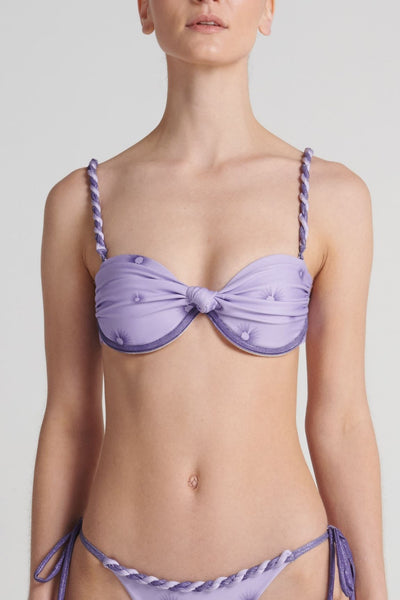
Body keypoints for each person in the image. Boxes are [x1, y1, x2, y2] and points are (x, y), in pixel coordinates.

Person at [29, 1, 388, 599]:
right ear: (144, 9)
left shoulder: (334, 198)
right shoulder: (79, 203)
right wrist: (39, 588)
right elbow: (69, 417)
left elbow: (342, 418)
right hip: (110, 576)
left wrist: (375, 590)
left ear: (268, 9)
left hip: (289, 573)